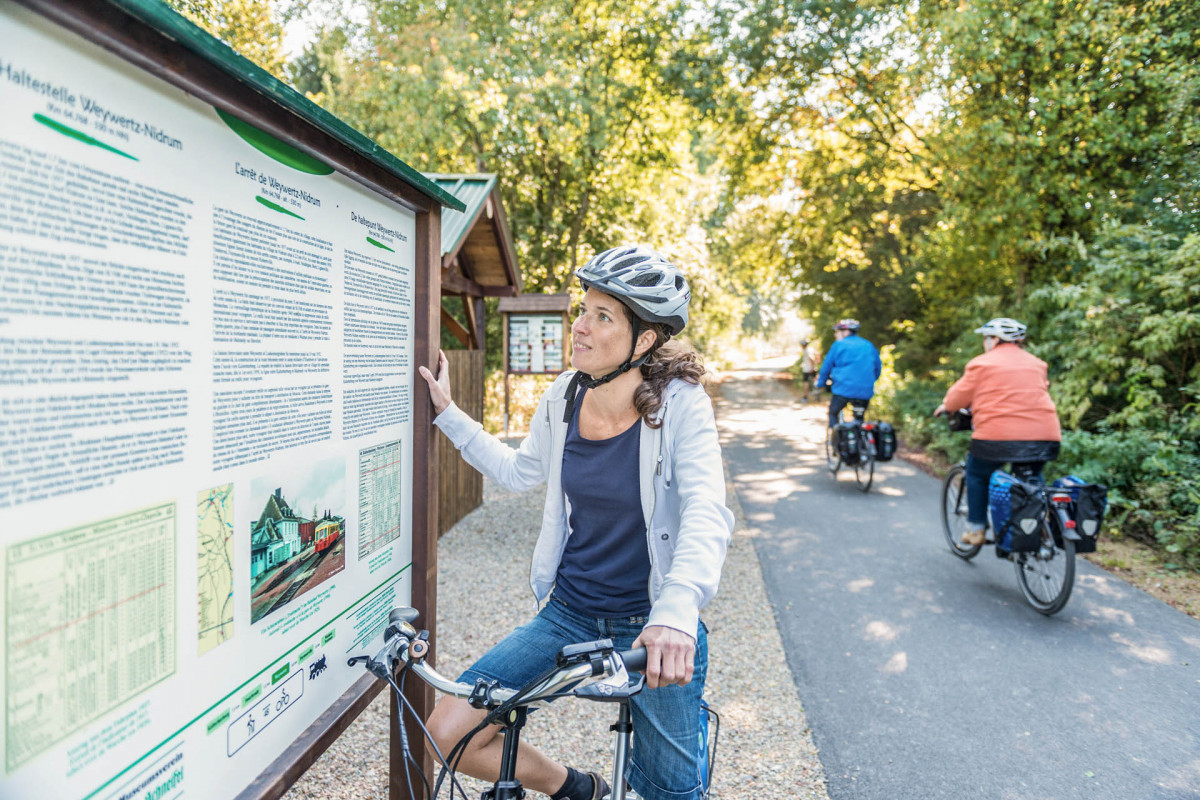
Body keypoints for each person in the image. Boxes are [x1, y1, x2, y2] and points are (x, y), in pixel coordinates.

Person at [418, 244, 734, 800]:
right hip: (570, 613)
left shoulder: (682, 404)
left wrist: (679, 610)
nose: (580, 327)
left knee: (672, 793)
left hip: (653, 624)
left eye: (602, 316)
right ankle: (578, 790)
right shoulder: (564, 395)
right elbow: (518, 472)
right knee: (449, 734)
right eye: (581, 311)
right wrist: (448, 414)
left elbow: (708, 508)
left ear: (644, 341)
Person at [933, 317, 1061, 546]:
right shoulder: (1037, 364)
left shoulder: (982, 363)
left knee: (977, 473)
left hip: (997, 439)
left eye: (986, 338)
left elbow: (957, 397)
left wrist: (947, 406)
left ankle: (976, 529)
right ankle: (1039, 525)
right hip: (1045, 436)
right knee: (1031, 475)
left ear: (994, 340)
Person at [814, 318, 882, 429]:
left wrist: (821, 383)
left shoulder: (838, 345)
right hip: (865, 391)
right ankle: (863, 440)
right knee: (859, 420)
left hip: (842, 391)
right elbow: (877, 368)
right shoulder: (868, 345)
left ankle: (836, 442)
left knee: (833, 413)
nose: (836, 334)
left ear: (845, 332)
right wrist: (868, 381)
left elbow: (826, 367)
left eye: (837, 331)